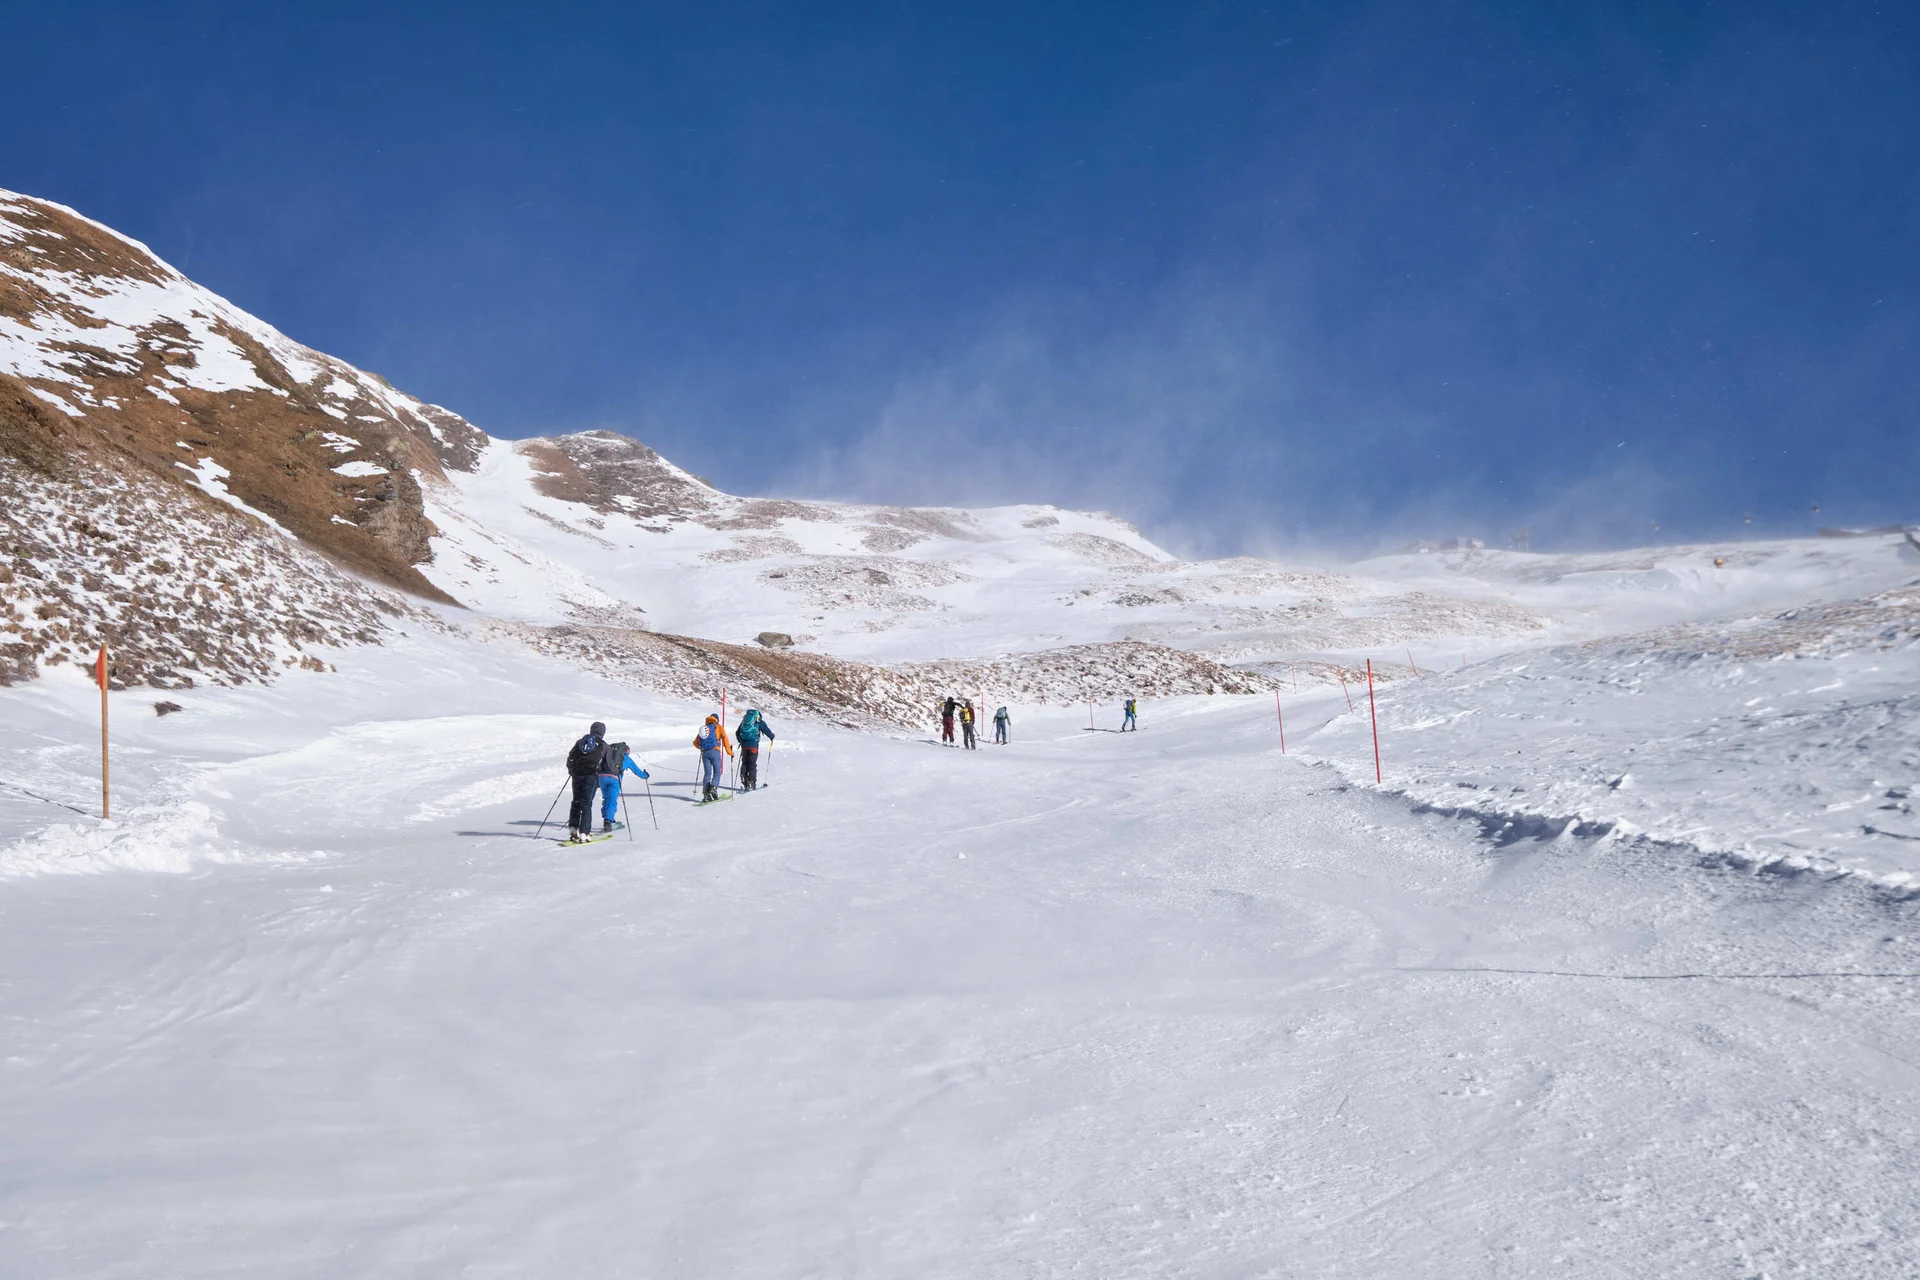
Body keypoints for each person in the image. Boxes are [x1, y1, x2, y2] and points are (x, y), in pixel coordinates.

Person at [564, 721, 610, 841]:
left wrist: (572, 771)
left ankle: (573, 828)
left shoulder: (580, 742)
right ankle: (584, 833)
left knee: (576, 801)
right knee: (586, 804)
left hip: (576, 776)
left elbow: (570, 758)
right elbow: (609, 765)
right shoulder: (603, 745)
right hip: (591, 777)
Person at [597, 740, 649, 832]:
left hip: (601, 778)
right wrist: (645, 775)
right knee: (612, 800)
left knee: (606, 798)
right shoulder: (625, 758)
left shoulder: (609, 754)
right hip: (614, 779)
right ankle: (609, 822)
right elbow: (637, 771)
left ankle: (607, 819)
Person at [692, 713, 733, 802]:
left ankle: (706, 794)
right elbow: (725, 739)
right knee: (717, 772)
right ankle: (713, 788)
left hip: (705, 753)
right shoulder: (718, 727)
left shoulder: (705, 728)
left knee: (707, 774)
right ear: (716, 720)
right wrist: (730, 752)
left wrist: (702, 748)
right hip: (715, 751)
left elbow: (695, 743)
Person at [736, 708, 776, 790]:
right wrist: (771, 736)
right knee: (752, 764)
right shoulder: (758, 721)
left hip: (744, 746)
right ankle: (752, 782)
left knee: (744, 763)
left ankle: (744, 778)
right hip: (753, 746)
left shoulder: (744, 721)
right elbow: (766, 730)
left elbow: (737, 733)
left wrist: (741, 741)